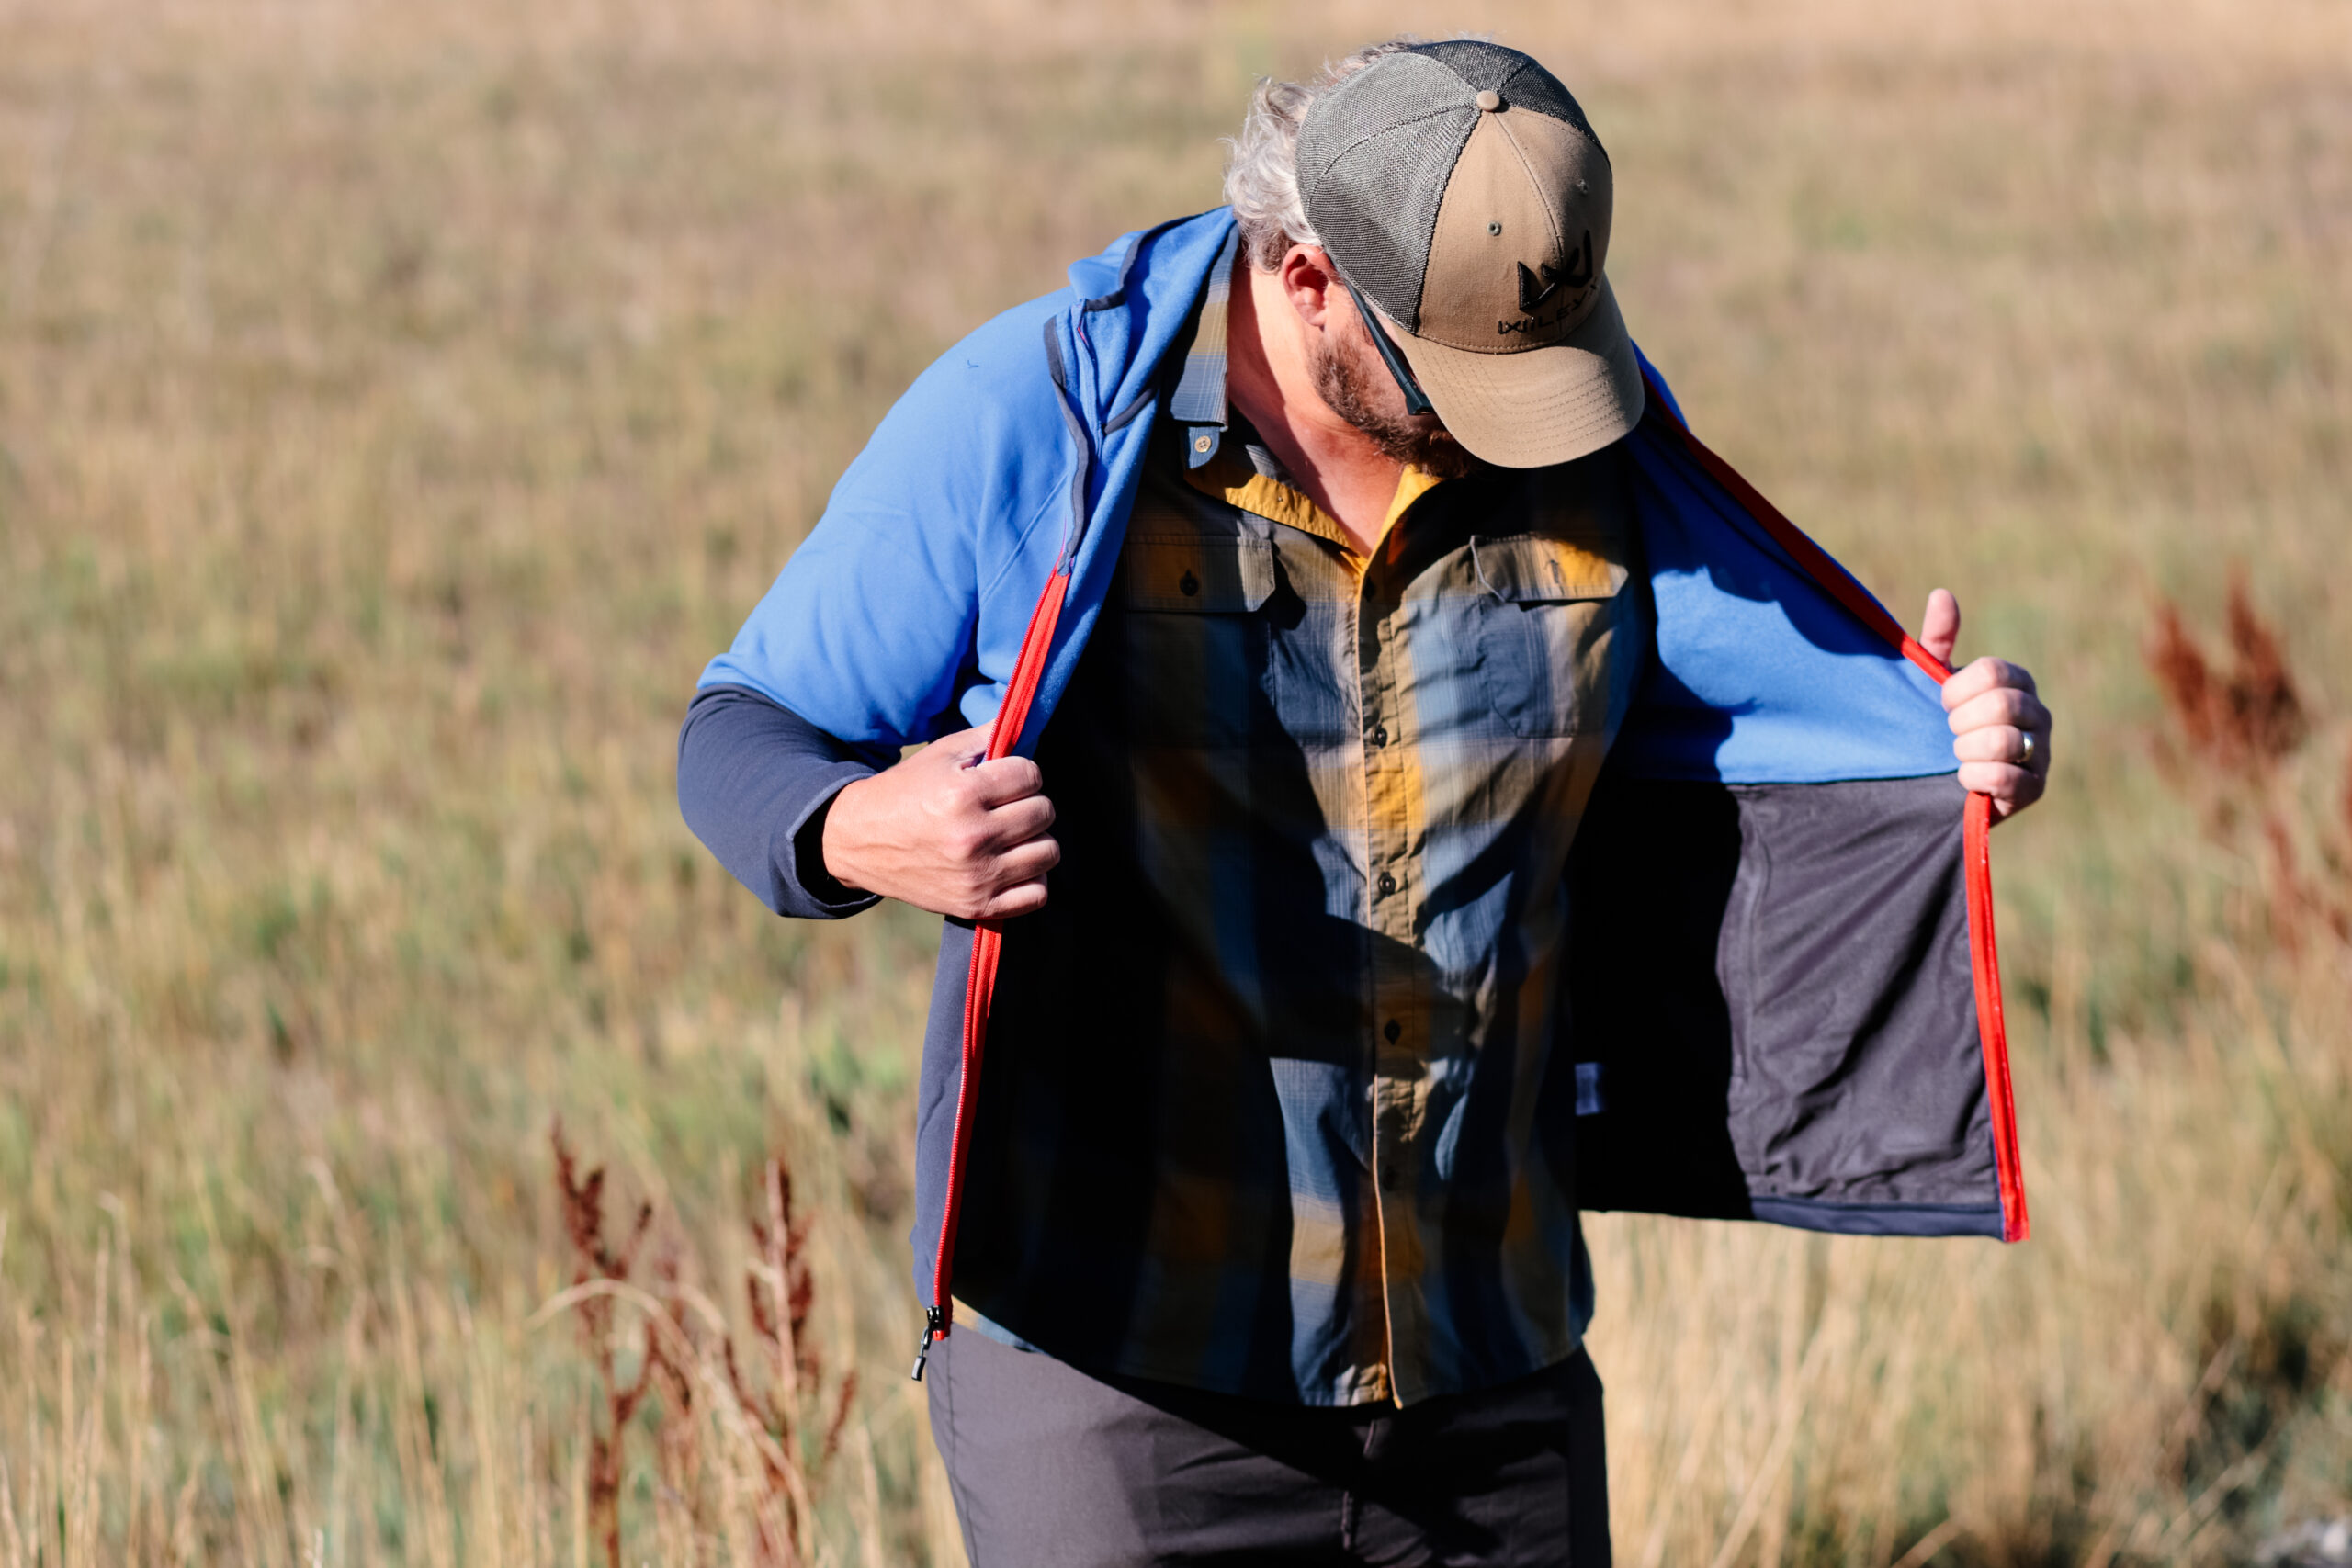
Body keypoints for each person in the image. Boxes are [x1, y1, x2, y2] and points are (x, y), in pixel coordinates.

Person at [680, 37, 2052, 1568]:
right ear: (1313, 275)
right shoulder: (1045, 416)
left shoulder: (1564, 424)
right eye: (1462, 374)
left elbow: (1763, 722)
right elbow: (741, 733)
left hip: (1496, 1383)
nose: (1513, 422)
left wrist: (1939, 744)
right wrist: (852, 829)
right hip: (1118, 1398)